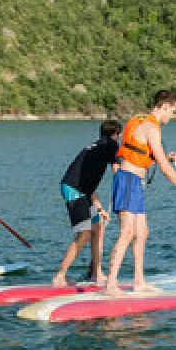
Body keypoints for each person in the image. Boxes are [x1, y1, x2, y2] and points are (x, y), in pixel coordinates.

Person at [102, 90, 176, 294]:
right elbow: (163, 168)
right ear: (163, 106)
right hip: (127, 180)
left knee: (142, 232)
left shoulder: (140, 119)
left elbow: (143, 152)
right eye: (172, 110)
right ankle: (110, 284)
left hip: (136, 182)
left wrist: (163, 156)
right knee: (127, 232)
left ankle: (139, 281)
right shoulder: (151, 127)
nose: (172, 116)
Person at [52, 120, 122, 287]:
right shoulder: (111, 144)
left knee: (98, 227)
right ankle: (60, 276)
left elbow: (88, 184)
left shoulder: (98, 146)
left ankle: (96, 274)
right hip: (73, 189)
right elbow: (116, 171)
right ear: (116, 134)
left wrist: (100, 208)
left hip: (83, 190)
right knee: (84, 233)